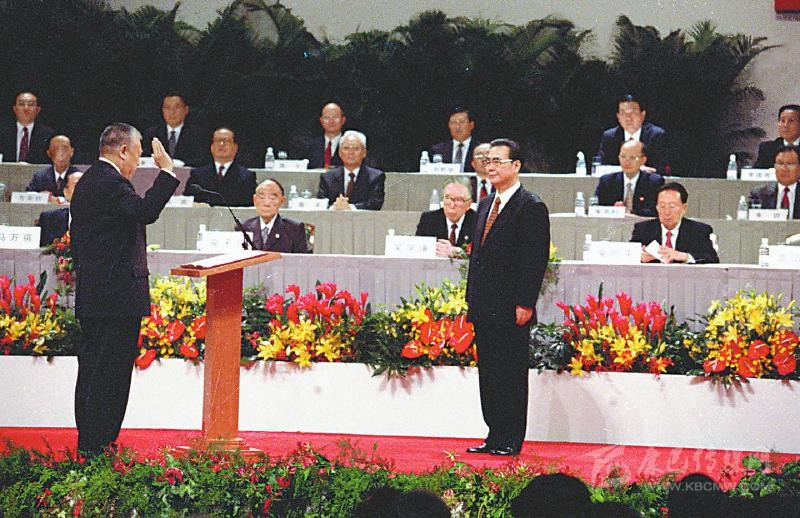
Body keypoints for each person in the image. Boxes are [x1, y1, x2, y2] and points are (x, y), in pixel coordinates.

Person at [70, 123, 179, 456]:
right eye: (138, 153)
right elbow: (145, 212)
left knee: (93, 371)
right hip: (114, 300)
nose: (139, 160)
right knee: (111, 375)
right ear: (123, 151)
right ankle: (99, 446)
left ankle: (90, 443)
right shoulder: (112, 182)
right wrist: (167, 172)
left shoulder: (90, 180)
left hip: (96, 295)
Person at [465, 138, 550, 456]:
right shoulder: (486, 203)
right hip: (483, 305)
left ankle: (511, 437)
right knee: (489, 372)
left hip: (512, 306)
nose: (491, 167)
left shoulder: (530, 206)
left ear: (516, 166)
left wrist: (525, 302)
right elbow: (478, 257)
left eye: (497, 161)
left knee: (510, 373)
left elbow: (535, 260)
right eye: (487, 161)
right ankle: (494, 433)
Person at [631, 182, 719, 264]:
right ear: (657, 207)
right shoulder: (643, 229)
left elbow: (712, 259)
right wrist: (638, 256)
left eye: (672, 206)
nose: (667, 212)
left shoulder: (699, 231)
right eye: (662, 206)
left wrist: (685, 256)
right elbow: (628, 254)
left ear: (684, 208)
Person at [597, 94, 669, 173]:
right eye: (623, 113)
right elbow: (602, 167)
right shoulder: (610, 137)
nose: (628, 118)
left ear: (643, 115)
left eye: (633, 112)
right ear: (618, 117)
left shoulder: (656, 136)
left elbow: (661, 169)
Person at [186, 127, 257, 207]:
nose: (221, 144)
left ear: (235, 148)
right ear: (211, 147)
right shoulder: (197, 174)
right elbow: (187, 202)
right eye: (218, 140)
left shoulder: (247, 176)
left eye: (226, 141)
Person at [317, 130, 385, 210]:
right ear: (339, 153)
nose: (351, 152)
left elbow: (375, 203)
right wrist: (335, 207)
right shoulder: (327, 177)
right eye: (346, 148)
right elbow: (321, 202)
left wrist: (350, 207)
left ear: (364, 153)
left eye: (356, 148)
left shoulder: (375, 177)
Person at [594, 140, 664, 216]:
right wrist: (614, 210)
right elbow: (598, 208)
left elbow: (656, 210)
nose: (627, 162)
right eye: (623, 157)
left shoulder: (654, 182)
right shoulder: (607, 181)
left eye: (632, 158)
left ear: (643, 160)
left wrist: (629, 212)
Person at [240, 178, 310, 253]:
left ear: (282, 201)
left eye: (272, 198)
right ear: (254, 200)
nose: (267, 203)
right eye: (261, 197)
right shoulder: (243, 228)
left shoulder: (294, 229)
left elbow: (301, 259)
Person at [415, 179, 476, 257]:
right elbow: (418, 250)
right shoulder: (428, 219)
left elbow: (481, 255)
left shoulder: (478, 222)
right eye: (447, 198)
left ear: (469, 204)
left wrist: (456, 252)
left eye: (458, 199)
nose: (452, 205)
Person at [142, 93, 207, 166]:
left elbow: (202, 160)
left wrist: (181, 164)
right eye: (167, 108)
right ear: (162, 110)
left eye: (177, 107)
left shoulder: (197, 134)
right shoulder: (151, 133)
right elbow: (145, 158)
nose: (172, 112)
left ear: (186, 110)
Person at [0, 90, 56, 164]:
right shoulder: (2, 133)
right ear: (15, 109)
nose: (26, 108)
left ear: (38, 110)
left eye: (31, 104)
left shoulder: (48, 135)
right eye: (21, 104)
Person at [749, 145, 800, 219]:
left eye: (790, 164)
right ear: (775, 167)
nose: (785, 169)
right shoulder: (759, 194)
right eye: (780, 163)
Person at [26, 135, 81, 200]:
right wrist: (43, 197)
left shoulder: (78, 177)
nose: (60, 153)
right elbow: (28, 196)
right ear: (49, 153)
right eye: (55, 149)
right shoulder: (40, 177)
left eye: (64, 149)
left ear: (72, 152)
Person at [37, 171, 82, 247]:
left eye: (87, 186)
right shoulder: (48, 220)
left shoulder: (99, 220)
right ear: (66, 192)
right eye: (77, 185)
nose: (83, 189)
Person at [299, 102, 346, 169]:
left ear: (343, 120)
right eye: (327, 118)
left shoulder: (351, 145)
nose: (331, 121)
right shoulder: (310, 146)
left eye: (335, 117)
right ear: (321, 121)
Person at [430, 108, 479, 172]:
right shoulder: (438, 150)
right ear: (449, 126)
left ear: (471, 125)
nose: (457, 127)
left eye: (462, 122)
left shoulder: (480, 149)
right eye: (453, 123)